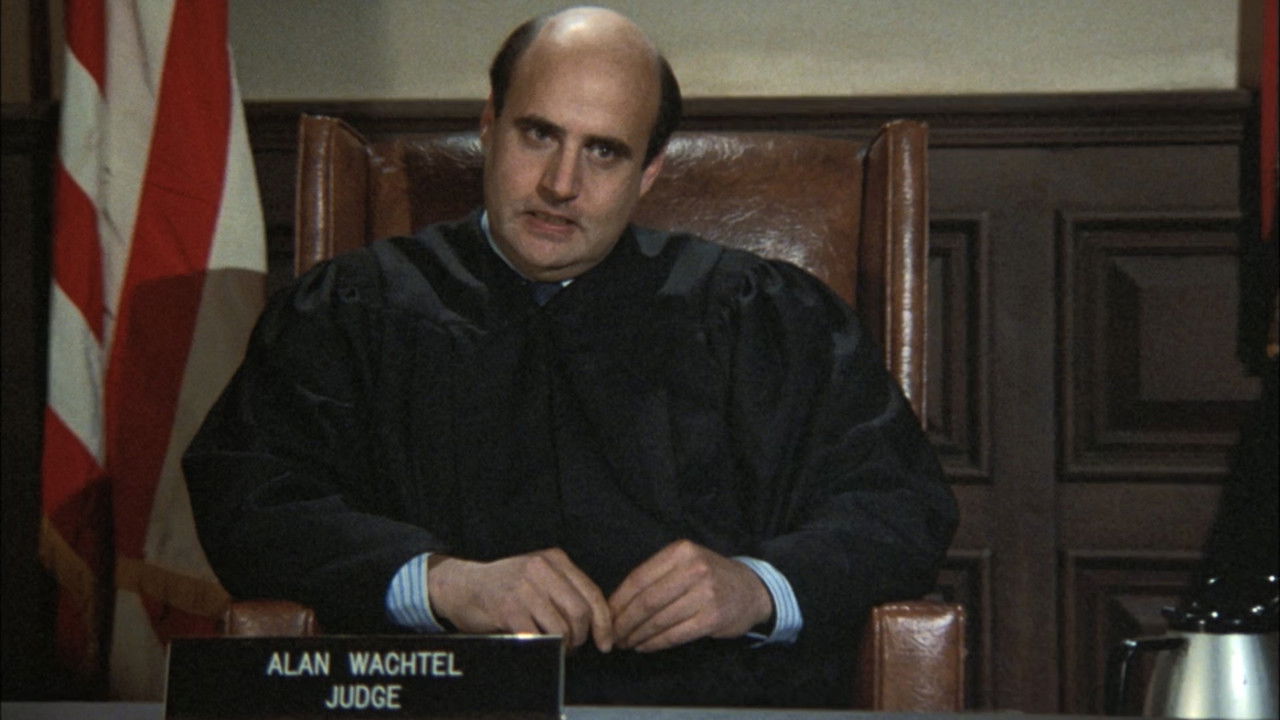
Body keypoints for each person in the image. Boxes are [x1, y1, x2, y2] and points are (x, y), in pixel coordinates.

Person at [184, 7, 957, 707]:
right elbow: (248, 495)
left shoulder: (758, 316)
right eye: (538, 134)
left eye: (605, 152)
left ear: (649, 172)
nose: (561, 184)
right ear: (489, 126)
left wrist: (755, 588)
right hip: (443, 703)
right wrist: (439, 582)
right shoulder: (358, 309)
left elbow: (900, 504)